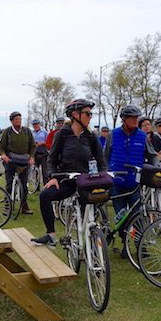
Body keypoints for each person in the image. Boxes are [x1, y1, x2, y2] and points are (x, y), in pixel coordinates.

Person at [32, 99, 106, 246]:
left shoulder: (91, 136)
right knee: (45, 196)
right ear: (75, 115)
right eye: (87, 113)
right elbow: (51, 159)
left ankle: (94, 238)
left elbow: (101, 160)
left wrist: (103, 175)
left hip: (86, 181)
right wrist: (52, 177)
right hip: (67, 180)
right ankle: (51, 235)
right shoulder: (62, 135)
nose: (90, 116)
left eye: (91, 114)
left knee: (94, 211)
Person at [104, 105, 148, 257]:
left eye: (137, 117)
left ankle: (141, 246)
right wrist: (106, 174)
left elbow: (152, 155)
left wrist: (155, 167)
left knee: (137, 216)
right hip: (117, 183)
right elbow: (105, 156)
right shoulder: (113, 135)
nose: (136, 120)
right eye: (132, 118)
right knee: (122, 217)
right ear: (124, 119)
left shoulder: (142, 136)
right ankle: (124, 246)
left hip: (135, 183)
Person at [0, 111, 36, 214]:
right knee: (9, 183)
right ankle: (7, 206)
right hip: (10, 161)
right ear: (11, 121)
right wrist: (4, 156)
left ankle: (24, 206)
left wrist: (31, 157)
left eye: (19, 119)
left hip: (24, 161)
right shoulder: (7, 132)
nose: (18, 121)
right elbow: (1, 147)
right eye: (16, 119)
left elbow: (32, 146)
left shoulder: (27, 131)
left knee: (24, 184)